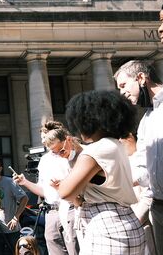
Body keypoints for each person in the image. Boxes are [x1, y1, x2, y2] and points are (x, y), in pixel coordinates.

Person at [58, 90, 145, 255]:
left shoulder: (95, 150)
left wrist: (74, 158)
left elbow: (65, 192)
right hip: (129, 222)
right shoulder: (116, 145)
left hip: (106, 228)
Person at [114, 60, 163, 254]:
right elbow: (143, 169)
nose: (122, 93)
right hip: (159, 212)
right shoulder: (146, 120)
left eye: (123, 85)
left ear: (140, 78)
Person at [13, 121, 79, 255]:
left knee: (75, 248)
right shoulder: (44, 160)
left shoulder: (70, 155)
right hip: (51, 212)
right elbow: (43, 191)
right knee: (54, 248)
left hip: (71, 208)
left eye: (46, 138)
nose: (43, 142)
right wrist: (24, 182)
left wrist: (63, 186)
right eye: (42, 138)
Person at [119, 132, 157, 255]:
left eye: (120, 142)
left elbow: (148, 193)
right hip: (129, 221)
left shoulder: (142, 159)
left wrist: (137, 219)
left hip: (142, 220)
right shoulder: (124, 160)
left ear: (130, 137)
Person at [0, 158, 29, 255]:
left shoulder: (9, 182)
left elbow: (24, 198)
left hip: (11, 228)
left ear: (0, 168)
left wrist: (16, 217)